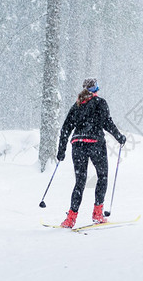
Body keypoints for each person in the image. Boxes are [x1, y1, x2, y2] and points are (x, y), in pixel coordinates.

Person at [56, 78, 126, 228]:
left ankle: (71, 218)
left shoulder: (76, 105)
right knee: (102, 176)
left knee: (80, 181)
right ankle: (97, 213)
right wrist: (119, 137)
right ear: (96, 89)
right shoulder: (100, 103)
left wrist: (61, 150)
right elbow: (107, 122)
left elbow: (66, 128)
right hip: (95, 143)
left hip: (78, 144)